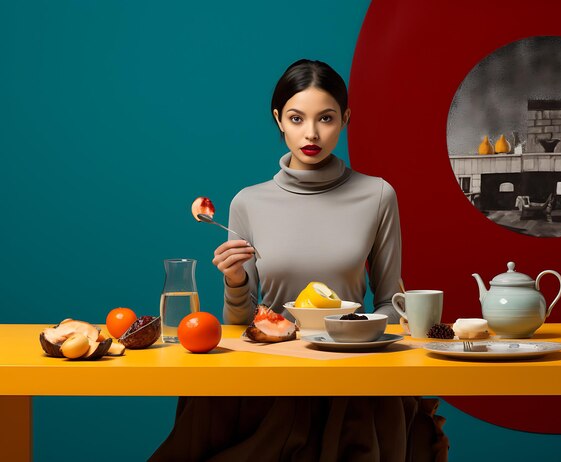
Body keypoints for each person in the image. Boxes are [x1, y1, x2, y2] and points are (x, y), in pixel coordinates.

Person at [150, 59, 448, 462]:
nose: (311, 133)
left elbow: (389, 303)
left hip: (352, 382)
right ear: (279, 120)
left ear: (345, 118)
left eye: (326, 118)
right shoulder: (248, 202)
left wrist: (359, 346)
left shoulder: (378, 195)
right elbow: (241, 324)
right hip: (268, 383)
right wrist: (235, 280)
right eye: (296, 118)